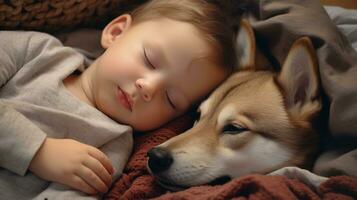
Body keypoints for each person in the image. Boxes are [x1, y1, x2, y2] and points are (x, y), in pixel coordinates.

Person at [0, 0, 238, 199]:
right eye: (150, 60)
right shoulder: (38, 51)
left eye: (171, 99)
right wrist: (38, 151)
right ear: (116, 33)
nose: (148, 87)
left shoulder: (114, 144)